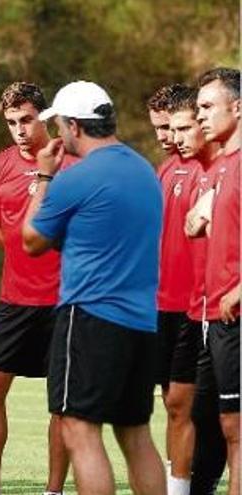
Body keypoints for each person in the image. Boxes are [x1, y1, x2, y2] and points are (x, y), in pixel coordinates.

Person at [22, 80, 166, 494]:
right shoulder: (145, 172)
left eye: (60, 126)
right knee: (136, 434)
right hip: (141, 323)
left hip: (90, 318)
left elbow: (31, 239)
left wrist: (44, 176)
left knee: (80, 430)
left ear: (74, 126)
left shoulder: (75, 179)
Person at [0, 82, 70, 495]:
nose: (19, 129)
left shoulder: (73, 164)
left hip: (64, 301)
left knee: (62, 403)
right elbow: (0, 231)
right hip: (14, 299)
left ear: (44, 117)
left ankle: (52, 490)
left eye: (27, 120)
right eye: (11, 122)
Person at [162, 84, 226, 495]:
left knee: (228, 420)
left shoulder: (226, 168)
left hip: (222, 310)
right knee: (193, 411)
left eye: (187, 125)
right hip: (193, 310)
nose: (175, 137)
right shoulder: (177, 169)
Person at [189, 67, 240, 495]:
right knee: (212, 422)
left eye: (208, 106)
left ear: (237, 108)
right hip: (215, 317)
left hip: (235, 314)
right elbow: (194, 227)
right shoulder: (221, 167)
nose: (201, 115)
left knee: (236, 426)